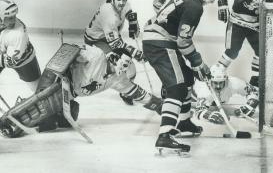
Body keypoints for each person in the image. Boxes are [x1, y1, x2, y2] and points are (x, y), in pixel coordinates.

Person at [0, 44, 162, 138]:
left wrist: (161, 106)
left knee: (60, 118)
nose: (124, 69)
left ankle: (40, 118)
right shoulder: (96, 55)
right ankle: (7, 122)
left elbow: (137, 93)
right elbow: (68, 50)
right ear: (113, 58)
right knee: (40, 107)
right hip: (58, 80)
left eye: (127, 66)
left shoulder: (117, 79)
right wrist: (59, 73)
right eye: (124, 64)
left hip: (70, 93)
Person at [142, 0, 226, 153]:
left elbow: (157, 2)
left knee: (187, 78)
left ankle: (184, 122)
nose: (212, 1)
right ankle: (165, 135)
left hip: (156, 38)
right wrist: (199, 63)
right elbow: (183, 42)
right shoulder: (196, 6)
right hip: (160, 43)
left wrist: (167, 22)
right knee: (177, 87)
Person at [215, 0, 273, 88]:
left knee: (261, 51)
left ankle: (255, 79)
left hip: (254, 26)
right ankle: (217, 71)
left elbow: (268, 11)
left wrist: (268, 26)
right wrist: (222, 4)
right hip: (236, 24)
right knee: (232, 52)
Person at [84, 0, 144, 105]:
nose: (122, 2)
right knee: (120, 62)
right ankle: (120, 86)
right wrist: (135, 52)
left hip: (109, 35)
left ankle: (125, 90)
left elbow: (128, 12)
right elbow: (116, 43)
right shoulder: (109, 15)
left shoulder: (124, 4)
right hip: (96, 40)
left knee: (128, 64)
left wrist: (133, 22)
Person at [191, 64, 259, 125]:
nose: (218, 86)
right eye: (215, 83)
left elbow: (254, 91)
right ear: (210, 81)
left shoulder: (233, 83)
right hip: (192, 98)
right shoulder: (204, 89)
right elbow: (198, 111)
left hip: (216, 104)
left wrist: (251, 105)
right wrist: (209, 115)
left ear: (226, 80)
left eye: (221, 83)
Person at [0, 0, 41, 93]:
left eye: (14, 16)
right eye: (9, 18)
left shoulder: (18, 34)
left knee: (39, 92)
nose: (13, 21)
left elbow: (11, 61)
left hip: (24, 61)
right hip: (4, 50)